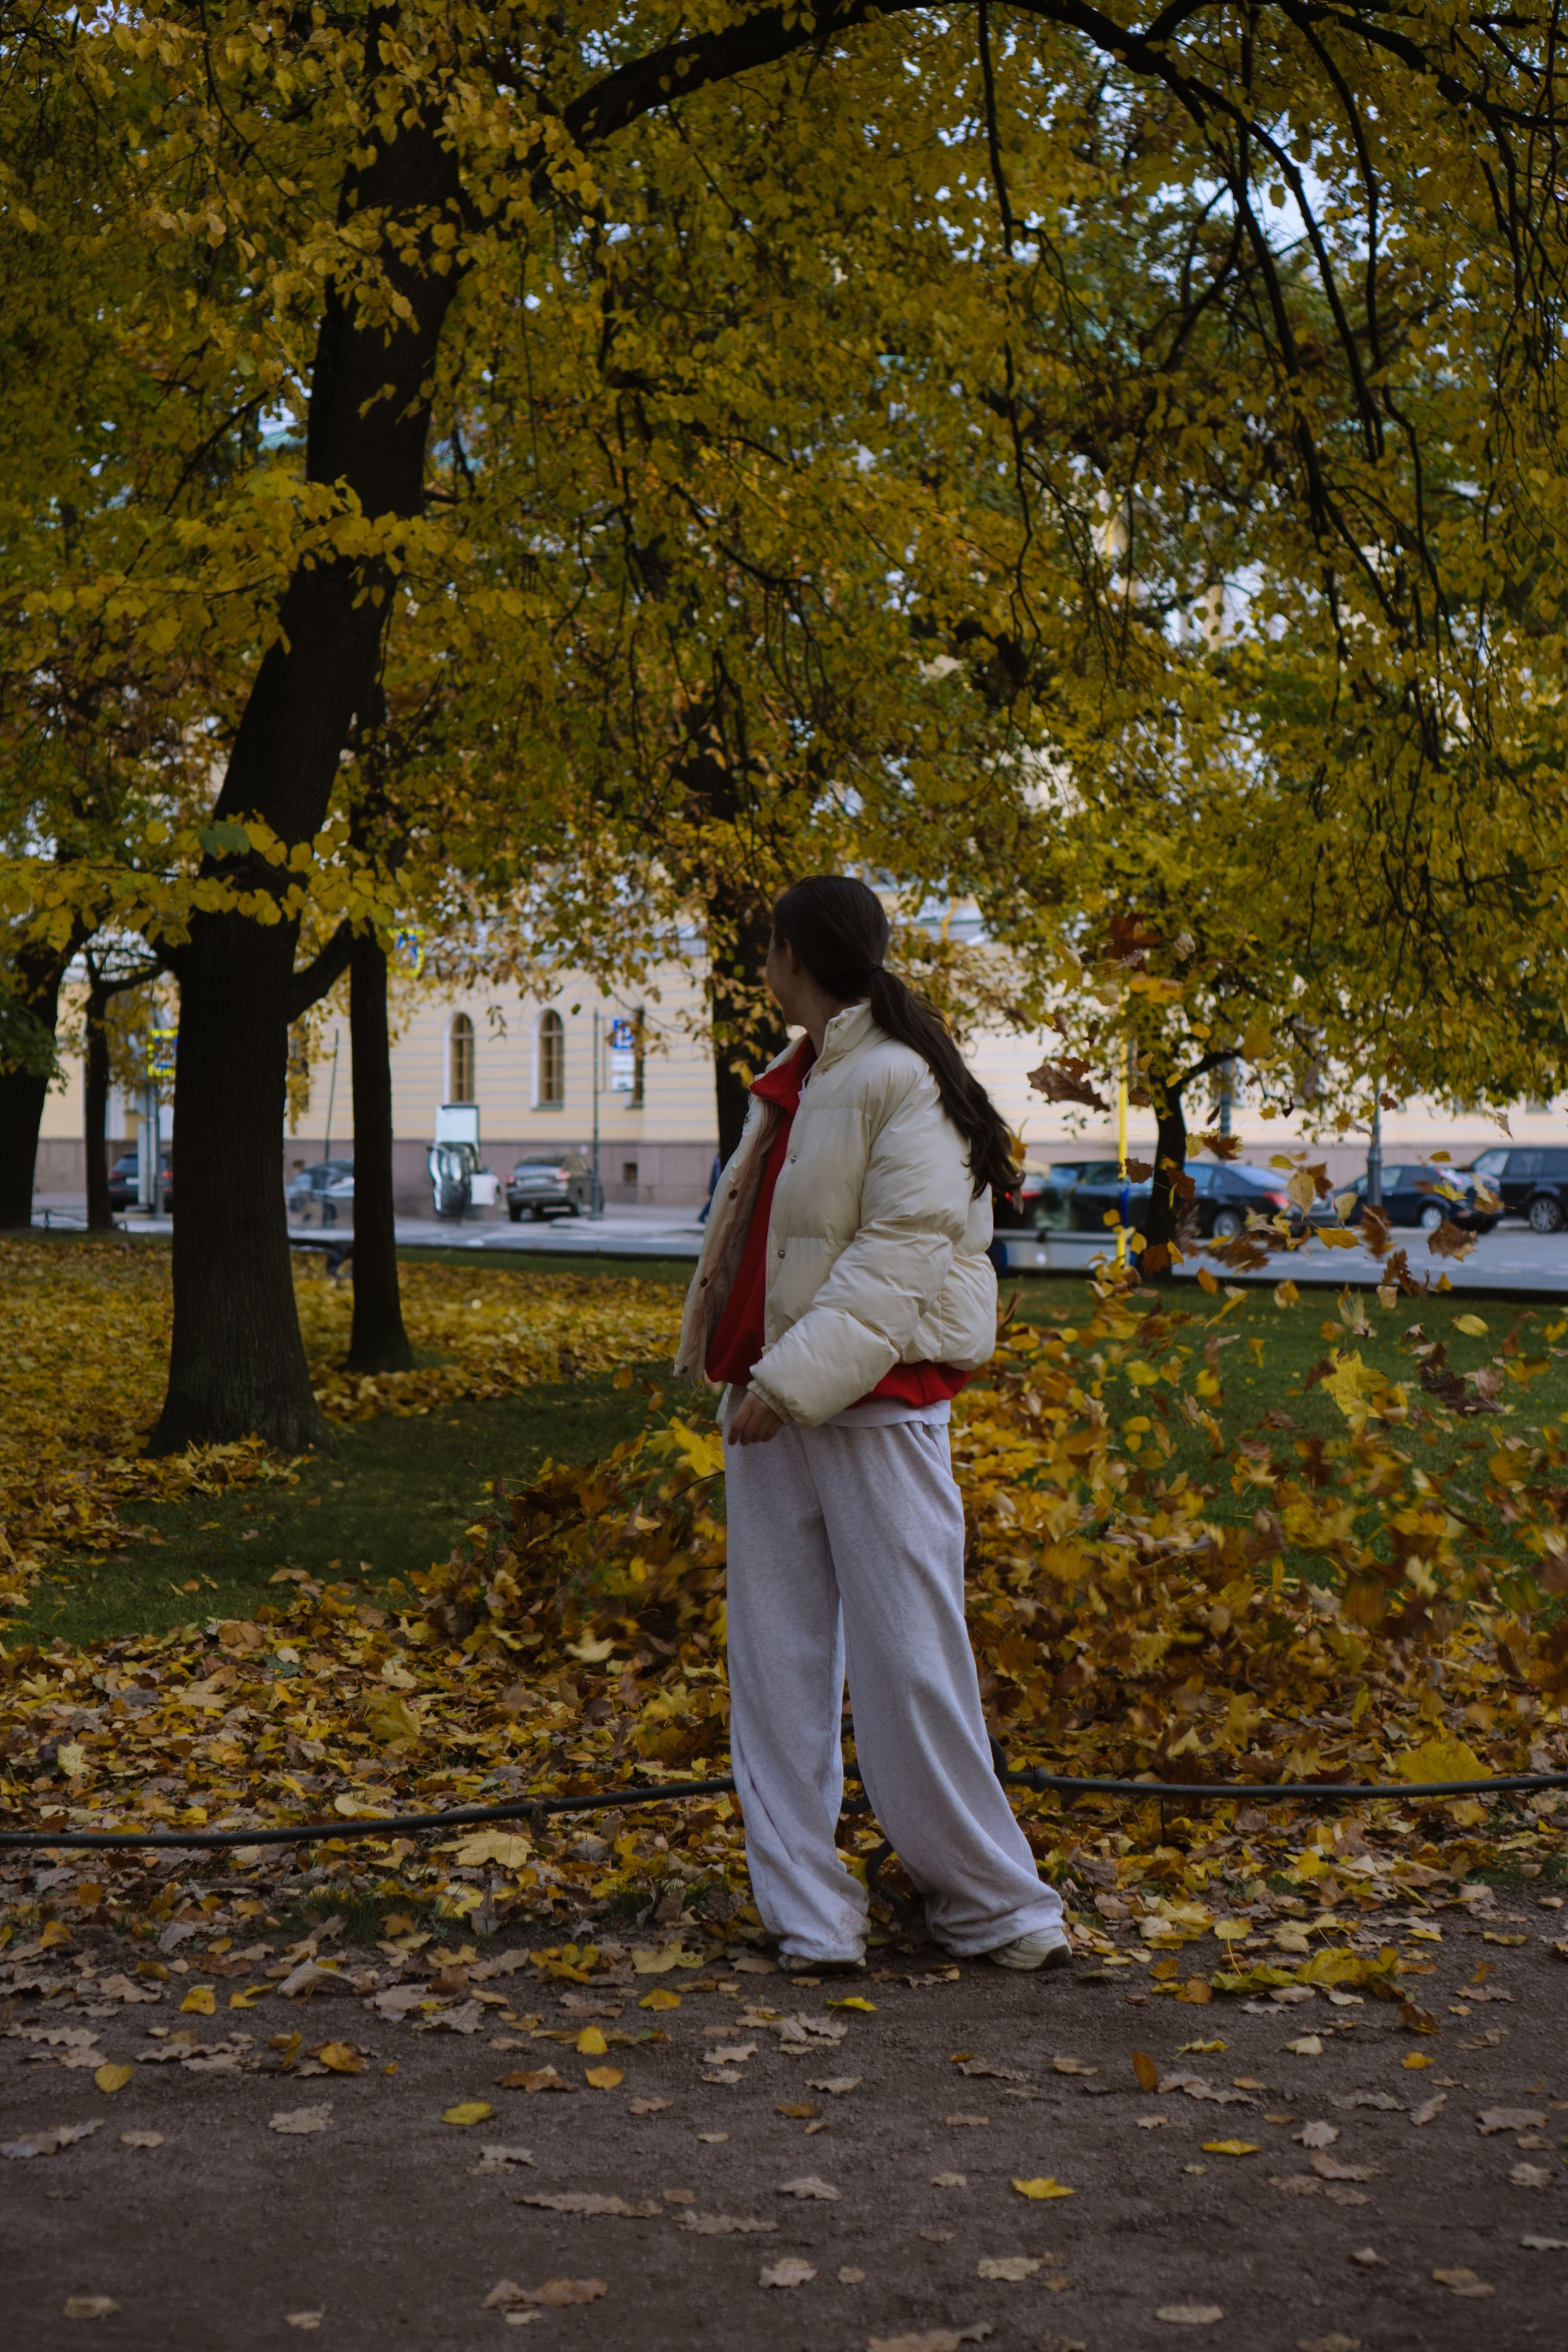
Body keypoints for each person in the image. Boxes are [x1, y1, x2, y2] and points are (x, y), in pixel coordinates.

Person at [675, 875, 1067, 1977]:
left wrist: (791, 1381)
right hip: (768, 1401)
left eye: (771, 947)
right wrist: (755, 1377)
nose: (765, 963)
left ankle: (997, 1907)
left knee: (912, 1660)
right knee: (776, 1667)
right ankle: (811, 1917)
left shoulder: (900, 1075)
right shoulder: (798, 1075)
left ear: (794, 956)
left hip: (869, 1402)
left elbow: (901, 1255)